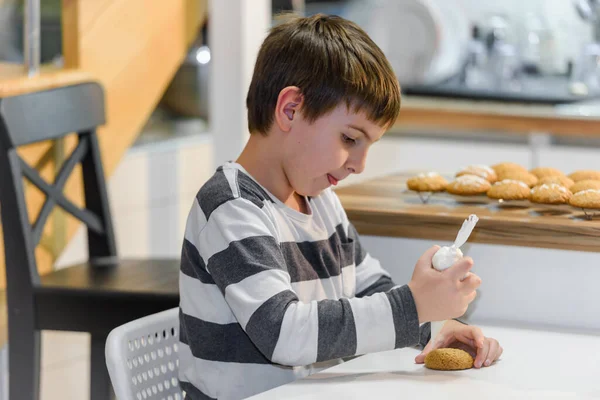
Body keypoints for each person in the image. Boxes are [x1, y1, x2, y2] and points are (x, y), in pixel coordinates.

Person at [177, 13, 502, 400]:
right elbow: (283, 332)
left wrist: (434, 325)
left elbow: (368, 289)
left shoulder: (322, 203)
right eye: (350, 138)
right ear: (291, 110)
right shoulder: (231, 207)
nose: (359, 165)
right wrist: (412, 305)